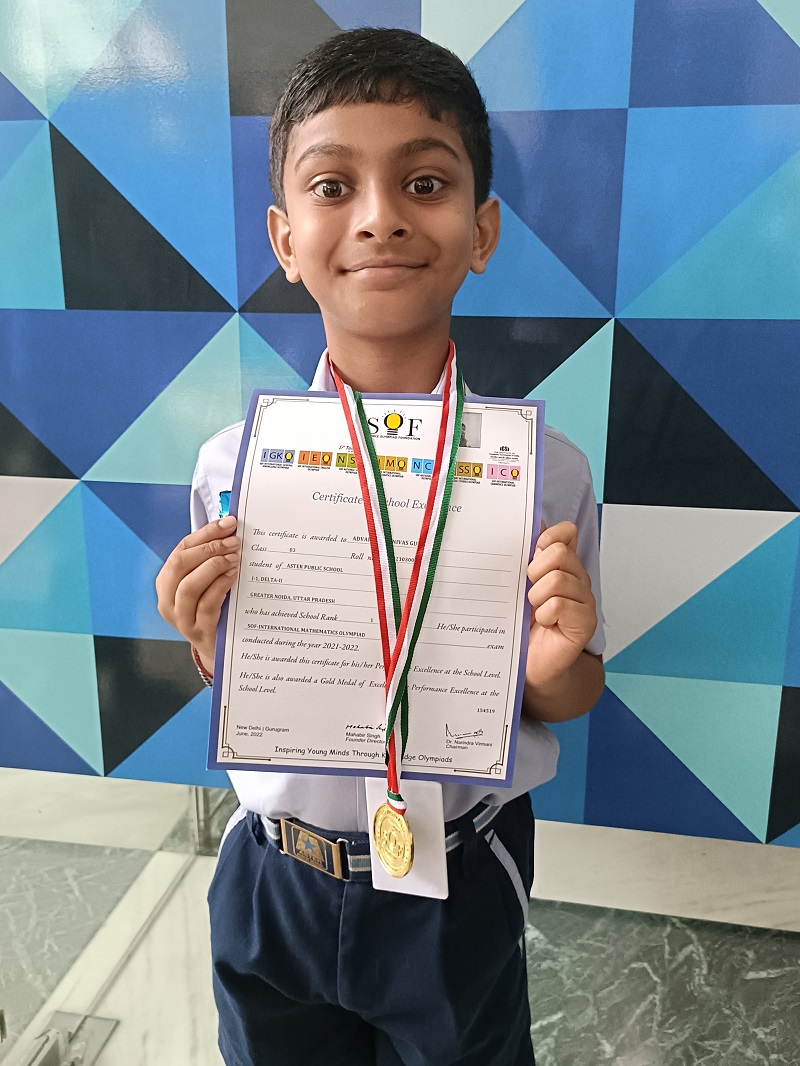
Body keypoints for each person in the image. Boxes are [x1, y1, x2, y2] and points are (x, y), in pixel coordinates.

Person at [156, 27, 605, 1066]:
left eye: (424, 183)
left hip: (456, 880)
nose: (379, 217)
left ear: (481, 230)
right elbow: (238, 680)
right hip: (275, 876)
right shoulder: (234, 465)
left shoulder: (544, 473)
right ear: (285, 239)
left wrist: (549, 668)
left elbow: (568, 689)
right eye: (332, 186)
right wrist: (206, 638)